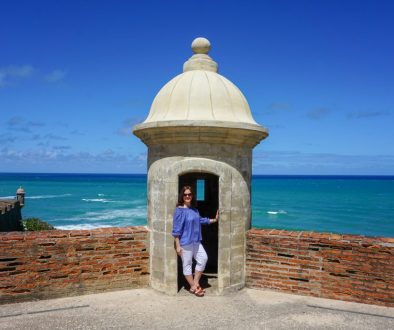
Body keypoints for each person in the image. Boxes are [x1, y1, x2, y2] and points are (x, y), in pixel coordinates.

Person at [172, 185, 218, 297]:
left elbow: (200, 220)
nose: (187, 196)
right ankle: (194, 287)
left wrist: (214, 220)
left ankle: (195, 283)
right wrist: (177, 245)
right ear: (182, 196)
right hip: (185, 243)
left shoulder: (194, 209)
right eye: (185, 194)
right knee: (187, 265)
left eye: (189, 194)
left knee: (203, 258)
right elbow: (176, 230)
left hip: (196, 241)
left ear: (192, 196)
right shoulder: (179, 211)